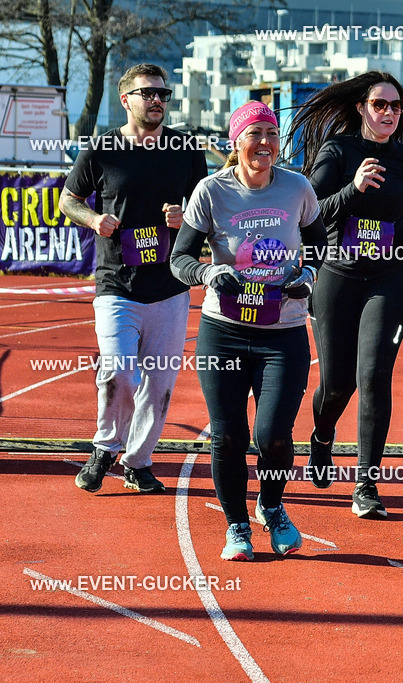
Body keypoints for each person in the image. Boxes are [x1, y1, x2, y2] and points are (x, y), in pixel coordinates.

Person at [170, 101, 327, 560]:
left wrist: (308, 275)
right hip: (225, 332)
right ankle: (236, 526)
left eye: (271, 134)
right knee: (228, 436)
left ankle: (271, 506)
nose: (264, 143)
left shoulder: (297, 187)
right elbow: (180, 259)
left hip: (284, 330)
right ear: (236, 141)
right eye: (254, 133)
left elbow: (319, 243)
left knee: (274, 434)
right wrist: (208, 273)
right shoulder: (211, 190)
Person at [60, 63, 207, 494]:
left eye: (163, 94)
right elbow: (68, 199)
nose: (158, 100)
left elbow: (207, 206)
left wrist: (186, 216)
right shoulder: (101, 149)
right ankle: (105, 447)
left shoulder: (185, 148)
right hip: (116, 285)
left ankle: (138, 462)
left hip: (170, 287)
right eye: (148, 93)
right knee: (120, 374)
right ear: (126, 99)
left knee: (159, 384)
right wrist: (93, 219)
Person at [289, 71, 403, 518]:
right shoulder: (338, 151)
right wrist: (353, 189)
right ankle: (321, 436)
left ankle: (366, 484)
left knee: (374, 376)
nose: (388, 112)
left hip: (389, 280)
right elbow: (307, 214)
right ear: (361, 108)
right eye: (379, 104)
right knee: (338, 385)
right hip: (338, 278)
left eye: (395, 106)